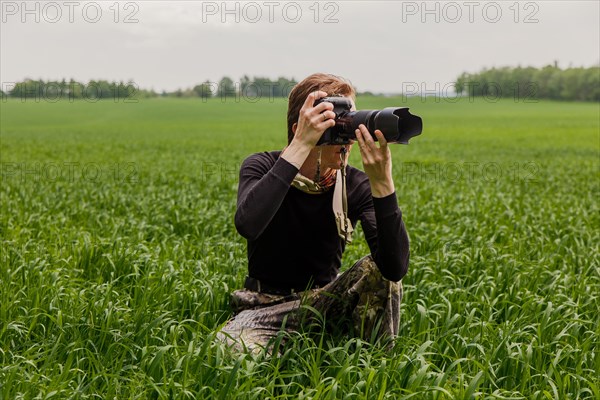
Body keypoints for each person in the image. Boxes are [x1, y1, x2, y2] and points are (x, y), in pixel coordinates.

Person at [218, 73, 410, 351]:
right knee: (228, 349)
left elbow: (394, 269)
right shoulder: (261, 166)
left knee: (375, 270)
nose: (347, 135)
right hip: (264, 306)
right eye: (334, 123)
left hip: (325, 304)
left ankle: (376, 367)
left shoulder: (354, 184)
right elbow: (248, 224)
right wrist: (300, 145)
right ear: (302, 127)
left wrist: (383, 184)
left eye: (350, 120)